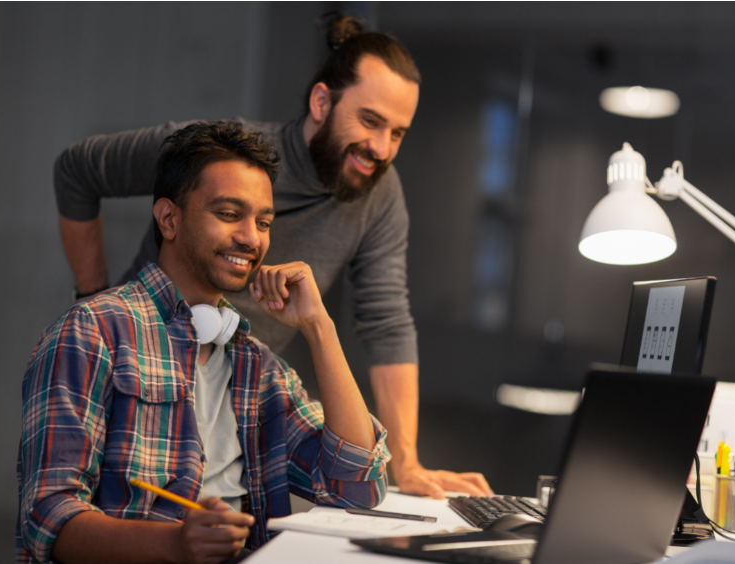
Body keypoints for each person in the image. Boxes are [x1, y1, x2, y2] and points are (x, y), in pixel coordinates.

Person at [54, 13, 492, 499]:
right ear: (322, 101)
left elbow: (387, 324)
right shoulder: (216, 158)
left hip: (240, 388)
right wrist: (92, 300)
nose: (382, 148)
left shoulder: (379, 194)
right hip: (144, 373)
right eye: (370, 121)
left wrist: (406, 464)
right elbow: (77, 171)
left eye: (398, 133)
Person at [17, 121, 389, 564]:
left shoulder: (257, 367)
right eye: (229, 214)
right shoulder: (91, 333)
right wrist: (175, 544)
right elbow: (48, 519)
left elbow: (358, 488)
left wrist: (319, 327)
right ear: (170, 219)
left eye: (263, 221)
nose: (252, 238)